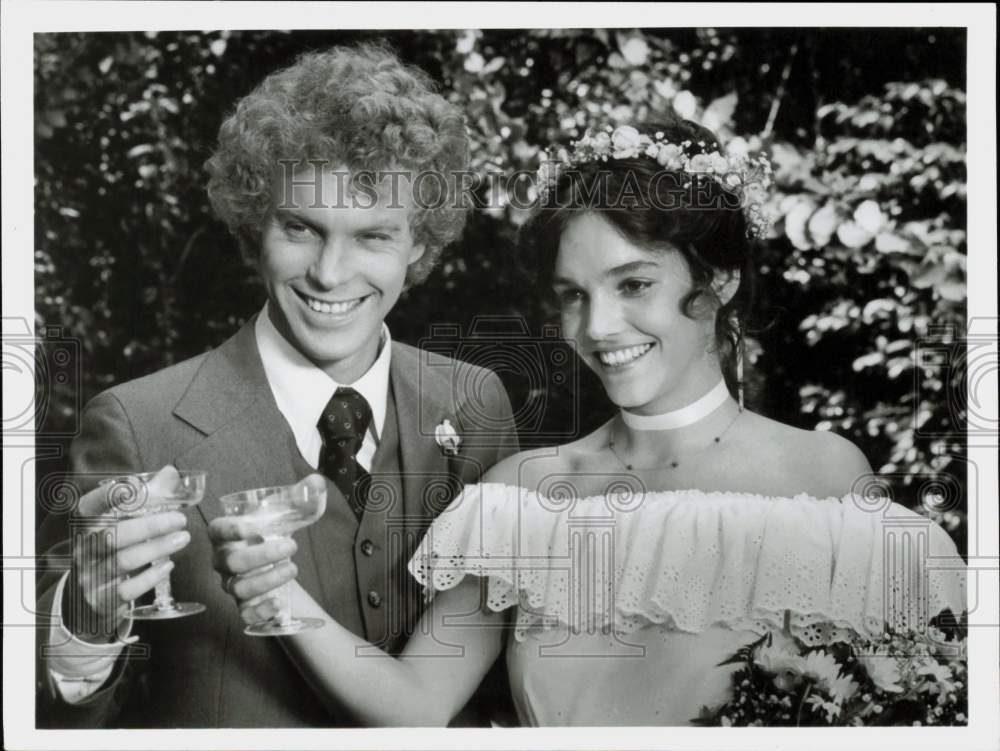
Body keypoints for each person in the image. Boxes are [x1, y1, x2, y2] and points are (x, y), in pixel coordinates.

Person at [211, 115, 967, 726]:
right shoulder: (521, 496)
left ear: (720, 280)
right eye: (573, 293)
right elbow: (414, 707)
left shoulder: (825, 479)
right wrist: (273, 592)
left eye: (633, 283)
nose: (599, 326)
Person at [35, 43, 518, 728]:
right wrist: (85, 611)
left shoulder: (476, 405)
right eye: (301, 227)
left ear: (419, 244)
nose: (330, 272)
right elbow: (55, 718)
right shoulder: (137, 423)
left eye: (374, 235)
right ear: (256, 219)